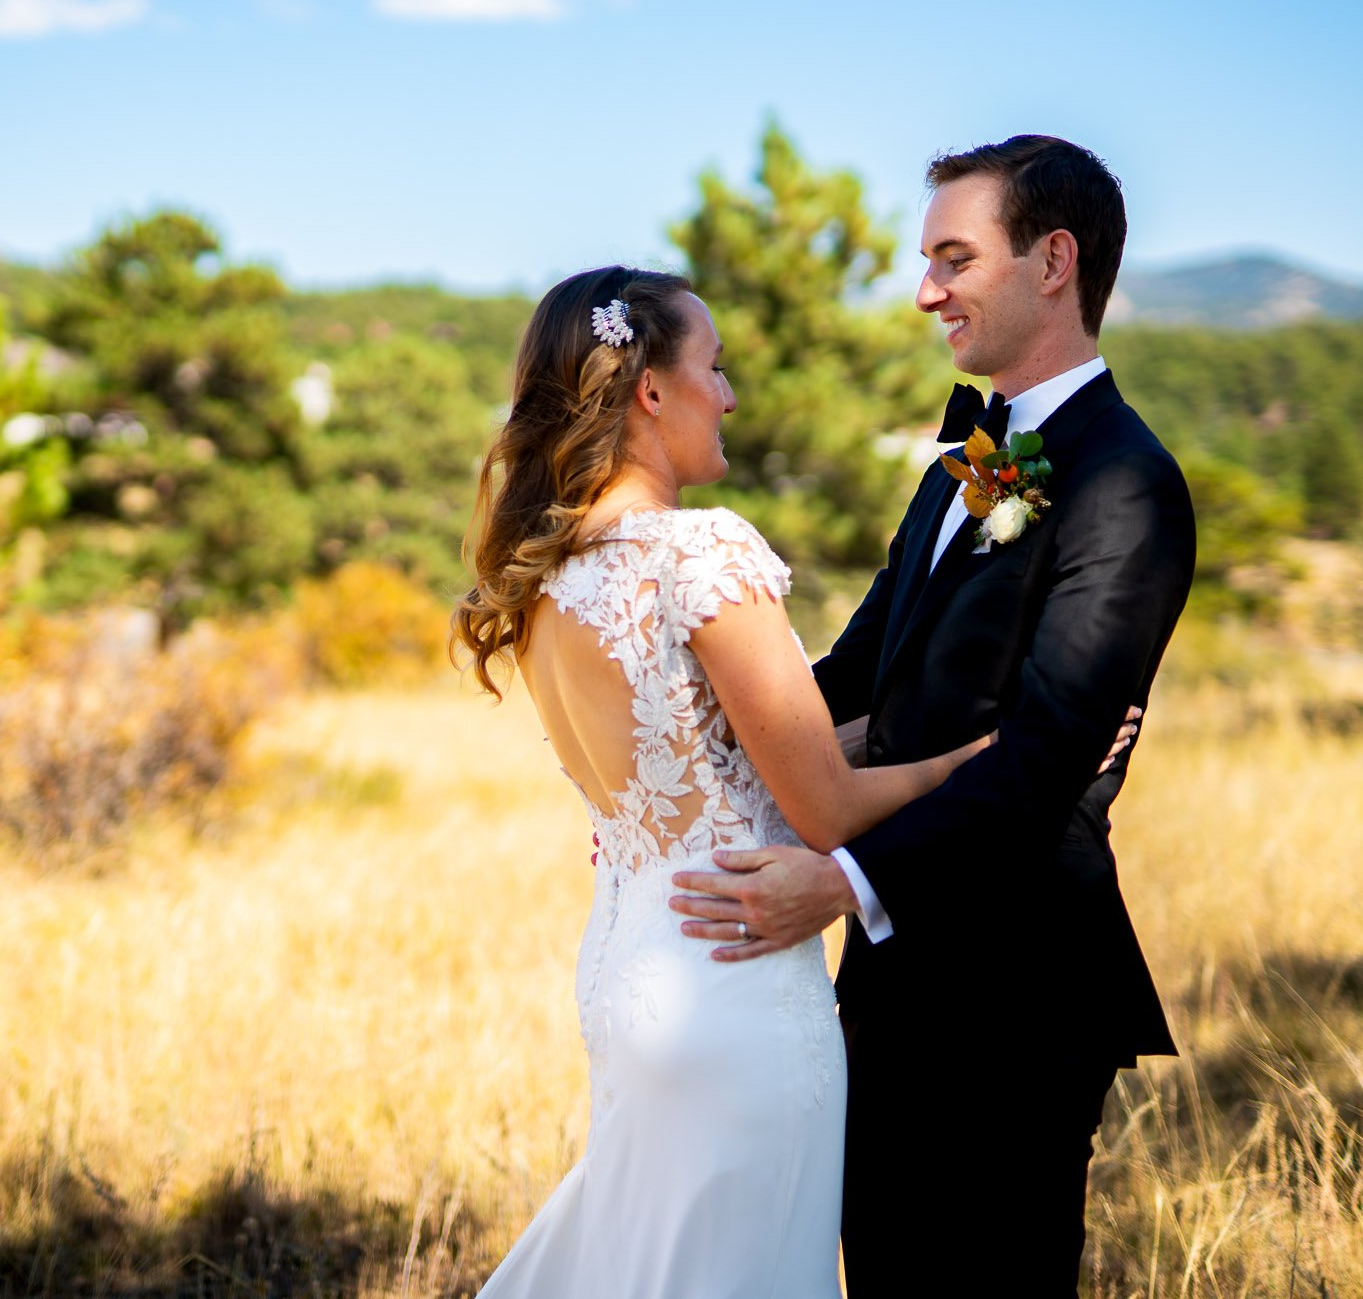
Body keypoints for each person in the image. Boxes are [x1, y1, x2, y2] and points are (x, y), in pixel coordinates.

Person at [449, 262, 1138, 1298]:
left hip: (630, 963)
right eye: (714, 368)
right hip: (735, 982)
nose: (728, 394)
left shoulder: (552, 574)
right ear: (650, 389)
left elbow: (735, 746)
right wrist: (981, 755)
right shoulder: (701, 548)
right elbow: (820, 802)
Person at [668, 135, 1196, 1295]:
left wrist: (843, 879)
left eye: (955, 258)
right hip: (895, 985)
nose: (925, 291)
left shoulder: (1127, 479)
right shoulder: (982, 451)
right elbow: (864, 668)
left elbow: (1051, 753)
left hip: (1014, 992)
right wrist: (681, 726)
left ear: (1054, 260)